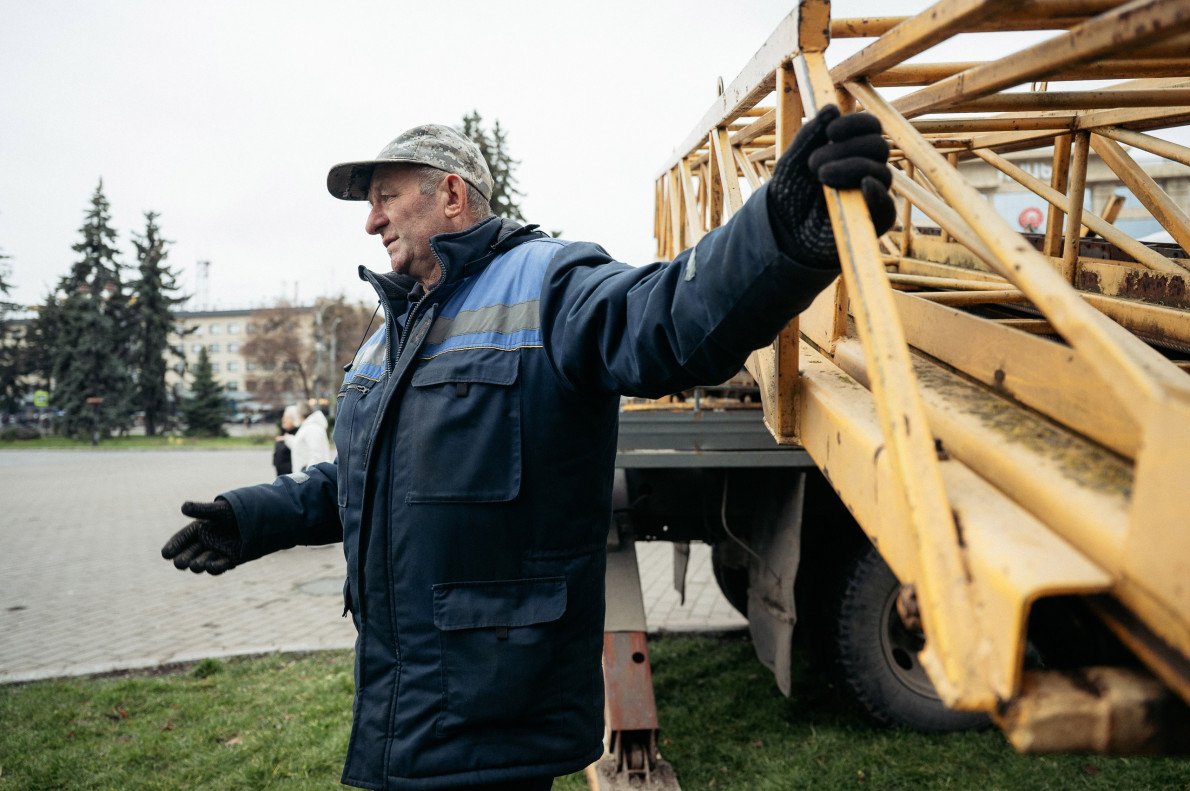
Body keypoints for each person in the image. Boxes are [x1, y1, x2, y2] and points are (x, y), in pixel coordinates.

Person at [161, 110, 894, 790]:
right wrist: (250, 517)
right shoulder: (390, 332)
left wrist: (780, 235)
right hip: (408, 707)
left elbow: (664, 318)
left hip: (493, 716)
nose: (372, 221)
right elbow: (358, 480)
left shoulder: (550, 281)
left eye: (385, 196)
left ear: (451, 193)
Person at [280, 400, 333, 473]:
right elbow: (300, 446)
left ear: (300, 413)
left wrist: (308, 475)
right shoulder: (308, 426)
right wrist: (287, 438)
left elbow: (317, 454)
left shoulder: (312, 428)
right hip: (307, 476)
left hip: (311, 478)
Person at [272, 405, 300, 476]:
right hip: (281, 475)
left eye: (287, 417)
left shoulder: (298, 435)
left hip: (292, 476)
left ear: (294, 419)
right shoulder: (283, 432)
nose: (283, 419)